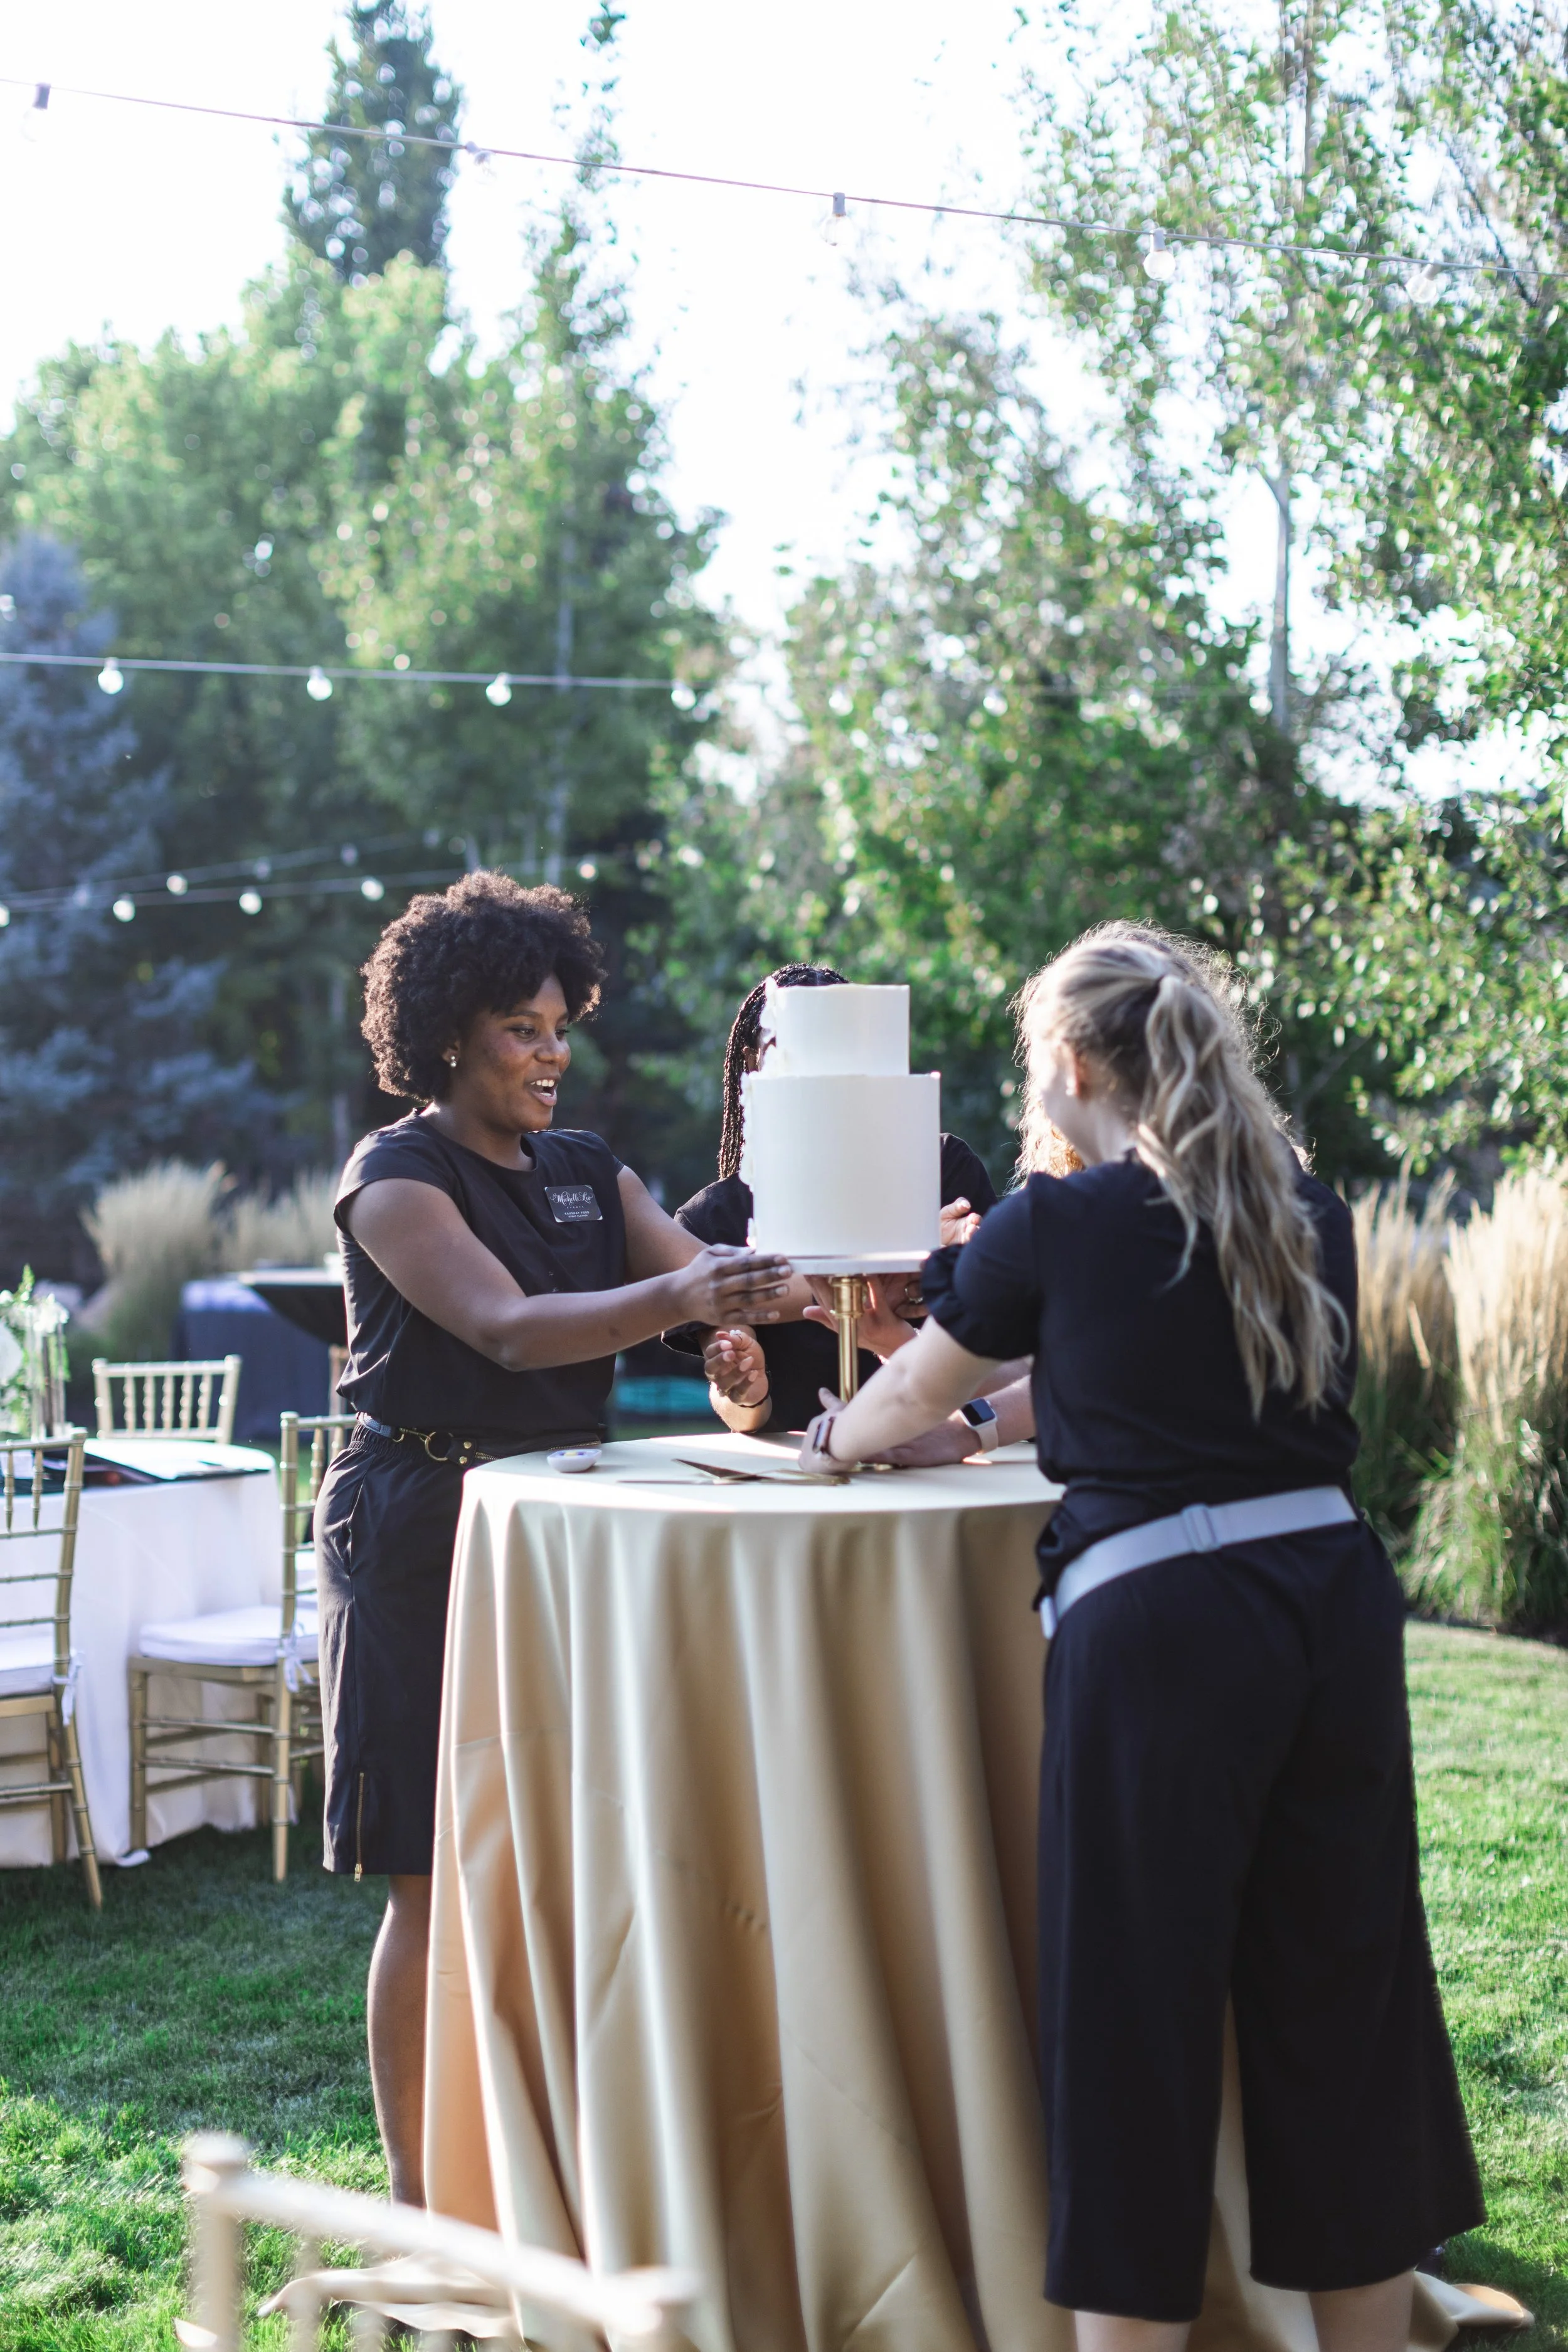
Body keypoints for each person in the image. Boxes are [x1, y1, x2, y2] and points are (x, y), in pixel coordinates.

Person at [797, 922, 1482, 2352]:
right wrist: (982, 1421)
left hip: (1164, 1634)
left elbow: (903, 1390)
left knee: (1132, 2026)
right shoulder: (1305, 1211)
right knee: (1339, 2013)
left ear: (1074, 1063)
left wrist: (839, 1433)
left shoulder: (1062, 1220)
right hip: (1332, 1609)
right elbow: (1129, 1373)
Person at [319, 872, 792, 2206]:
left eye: (558, 1024)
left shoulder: (590, 1171)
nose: (550, 1053)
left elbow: (700, 1319)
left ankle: (552, 2167)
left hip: (560, 1534)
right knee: (428, 1875)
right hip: (414, 1530)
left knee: (568, 1859)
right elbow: (512, 1328)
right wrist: (684, 1295)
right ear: (450, 1033)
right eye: (521, 1029)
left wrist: (748, 1336)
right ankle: (423, 2203)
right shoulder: (395, 1180)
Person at [672, 963, 1000, 1431]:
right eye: (797, 1050)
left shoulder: (941, 1167)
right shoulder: (712, 1219)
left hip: (938, 1448)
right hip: (797, 1463)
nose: (819, 1069)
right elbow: (736, 1392)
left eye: (841, 1044)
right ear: (753, 1063)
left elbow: (997, 1327)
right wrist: (746, 1387)